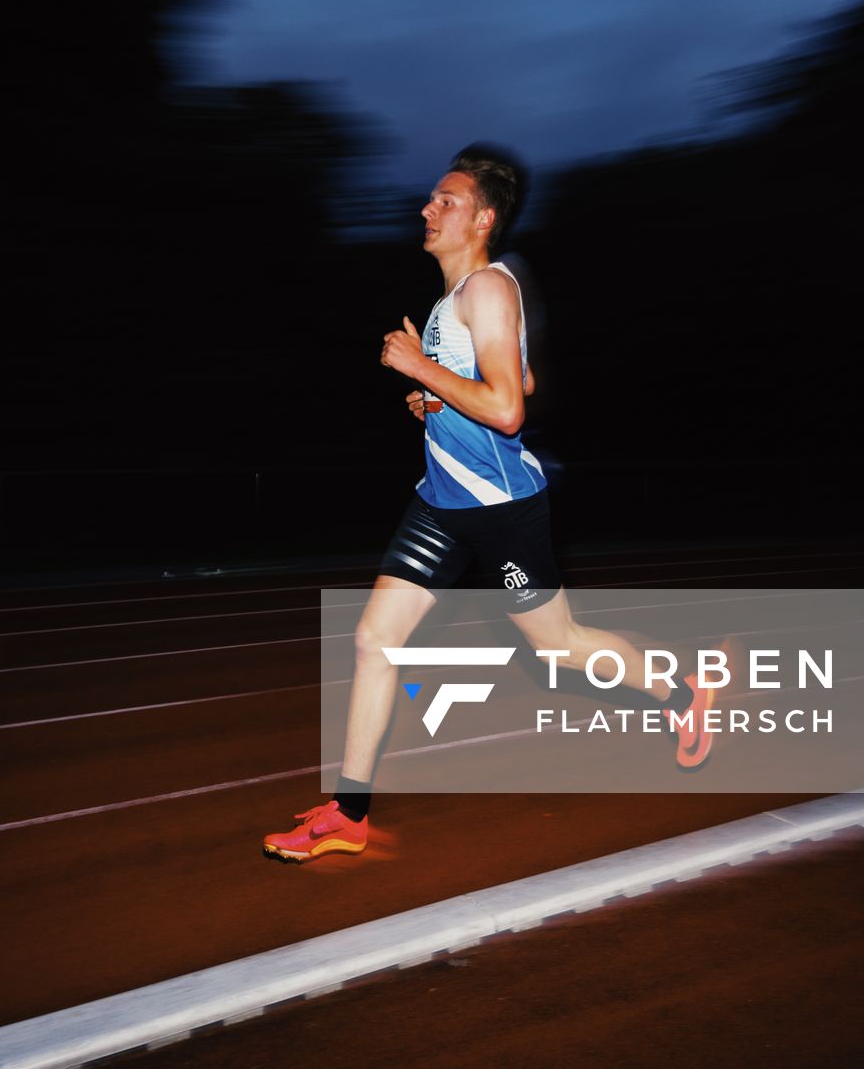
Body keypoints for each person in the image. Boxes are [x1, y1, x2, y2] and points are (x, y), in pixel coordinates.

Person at [263, 145, 719, 863]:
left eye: (445, 200)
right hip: (441, 505)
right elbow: (525, 379)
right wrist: (434, 392)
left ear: (483, 217)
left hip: (501, 510)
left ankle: (680, 692)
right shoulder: (457, 301)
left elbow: (508, 409)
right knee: (375, 641)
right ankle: (349, 813)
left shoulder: (487, 291)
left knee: (559, 649)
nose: (427, 209)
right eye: (431, 199)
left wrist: (421, 369)